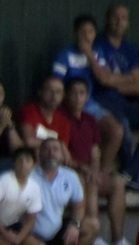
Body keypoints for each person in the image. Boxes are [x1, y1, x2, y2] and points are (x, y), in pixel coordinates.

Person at [90, 3, 139, 190]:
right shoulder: (98, 44)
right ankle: (127, 173)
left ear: (128, 23)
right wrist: (126, 80)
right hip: (101, 101)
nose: (119, 21)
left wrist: (116, 81)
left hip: (123, 102)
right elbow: (103, 80)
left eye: (123, 18)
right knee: (122, 123)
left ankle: (129, 174)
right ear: (107, 19)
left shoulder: (129, 49)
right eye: (115, 17)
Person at [49, 15, 123, 174]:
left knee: (117, 131)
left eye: (90, 31)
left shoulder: (97, 52)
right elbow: (56, 83)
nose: (86, 35)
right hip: (68, 105)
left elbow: (104, 78)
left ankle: (101, 174)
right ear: (75, 33)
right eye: (82, 31)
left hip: (90, 103)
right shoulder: (64, 54)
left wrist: (89, 54)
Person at [62, 77, 128, 245]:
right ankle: (93, 234)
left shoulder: (90, 120)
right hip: (69, 173)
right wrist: (84, 169)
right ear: (66, 95)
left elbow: (95, 151)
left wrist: (95, 169)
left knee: (118, 182)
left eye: (82, 93)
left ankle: (118, 239)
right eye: (73, 93)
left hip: (87, 171)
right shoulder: (61, 118)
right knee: (89, 179)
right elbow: (62, 155)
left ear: (87, 97)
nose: (77, 97)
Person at [32, 136, 92, 245]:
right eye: (47, 149)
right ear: (39, 153)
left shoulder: (70, 176)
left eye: (56, 149)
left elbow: (79, 205)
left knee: (92, 224)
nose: (51, 153)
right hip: (32, 234)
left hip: (58, 231)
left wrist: (75, 224)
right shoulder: (29, 175)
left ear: (62, 154)